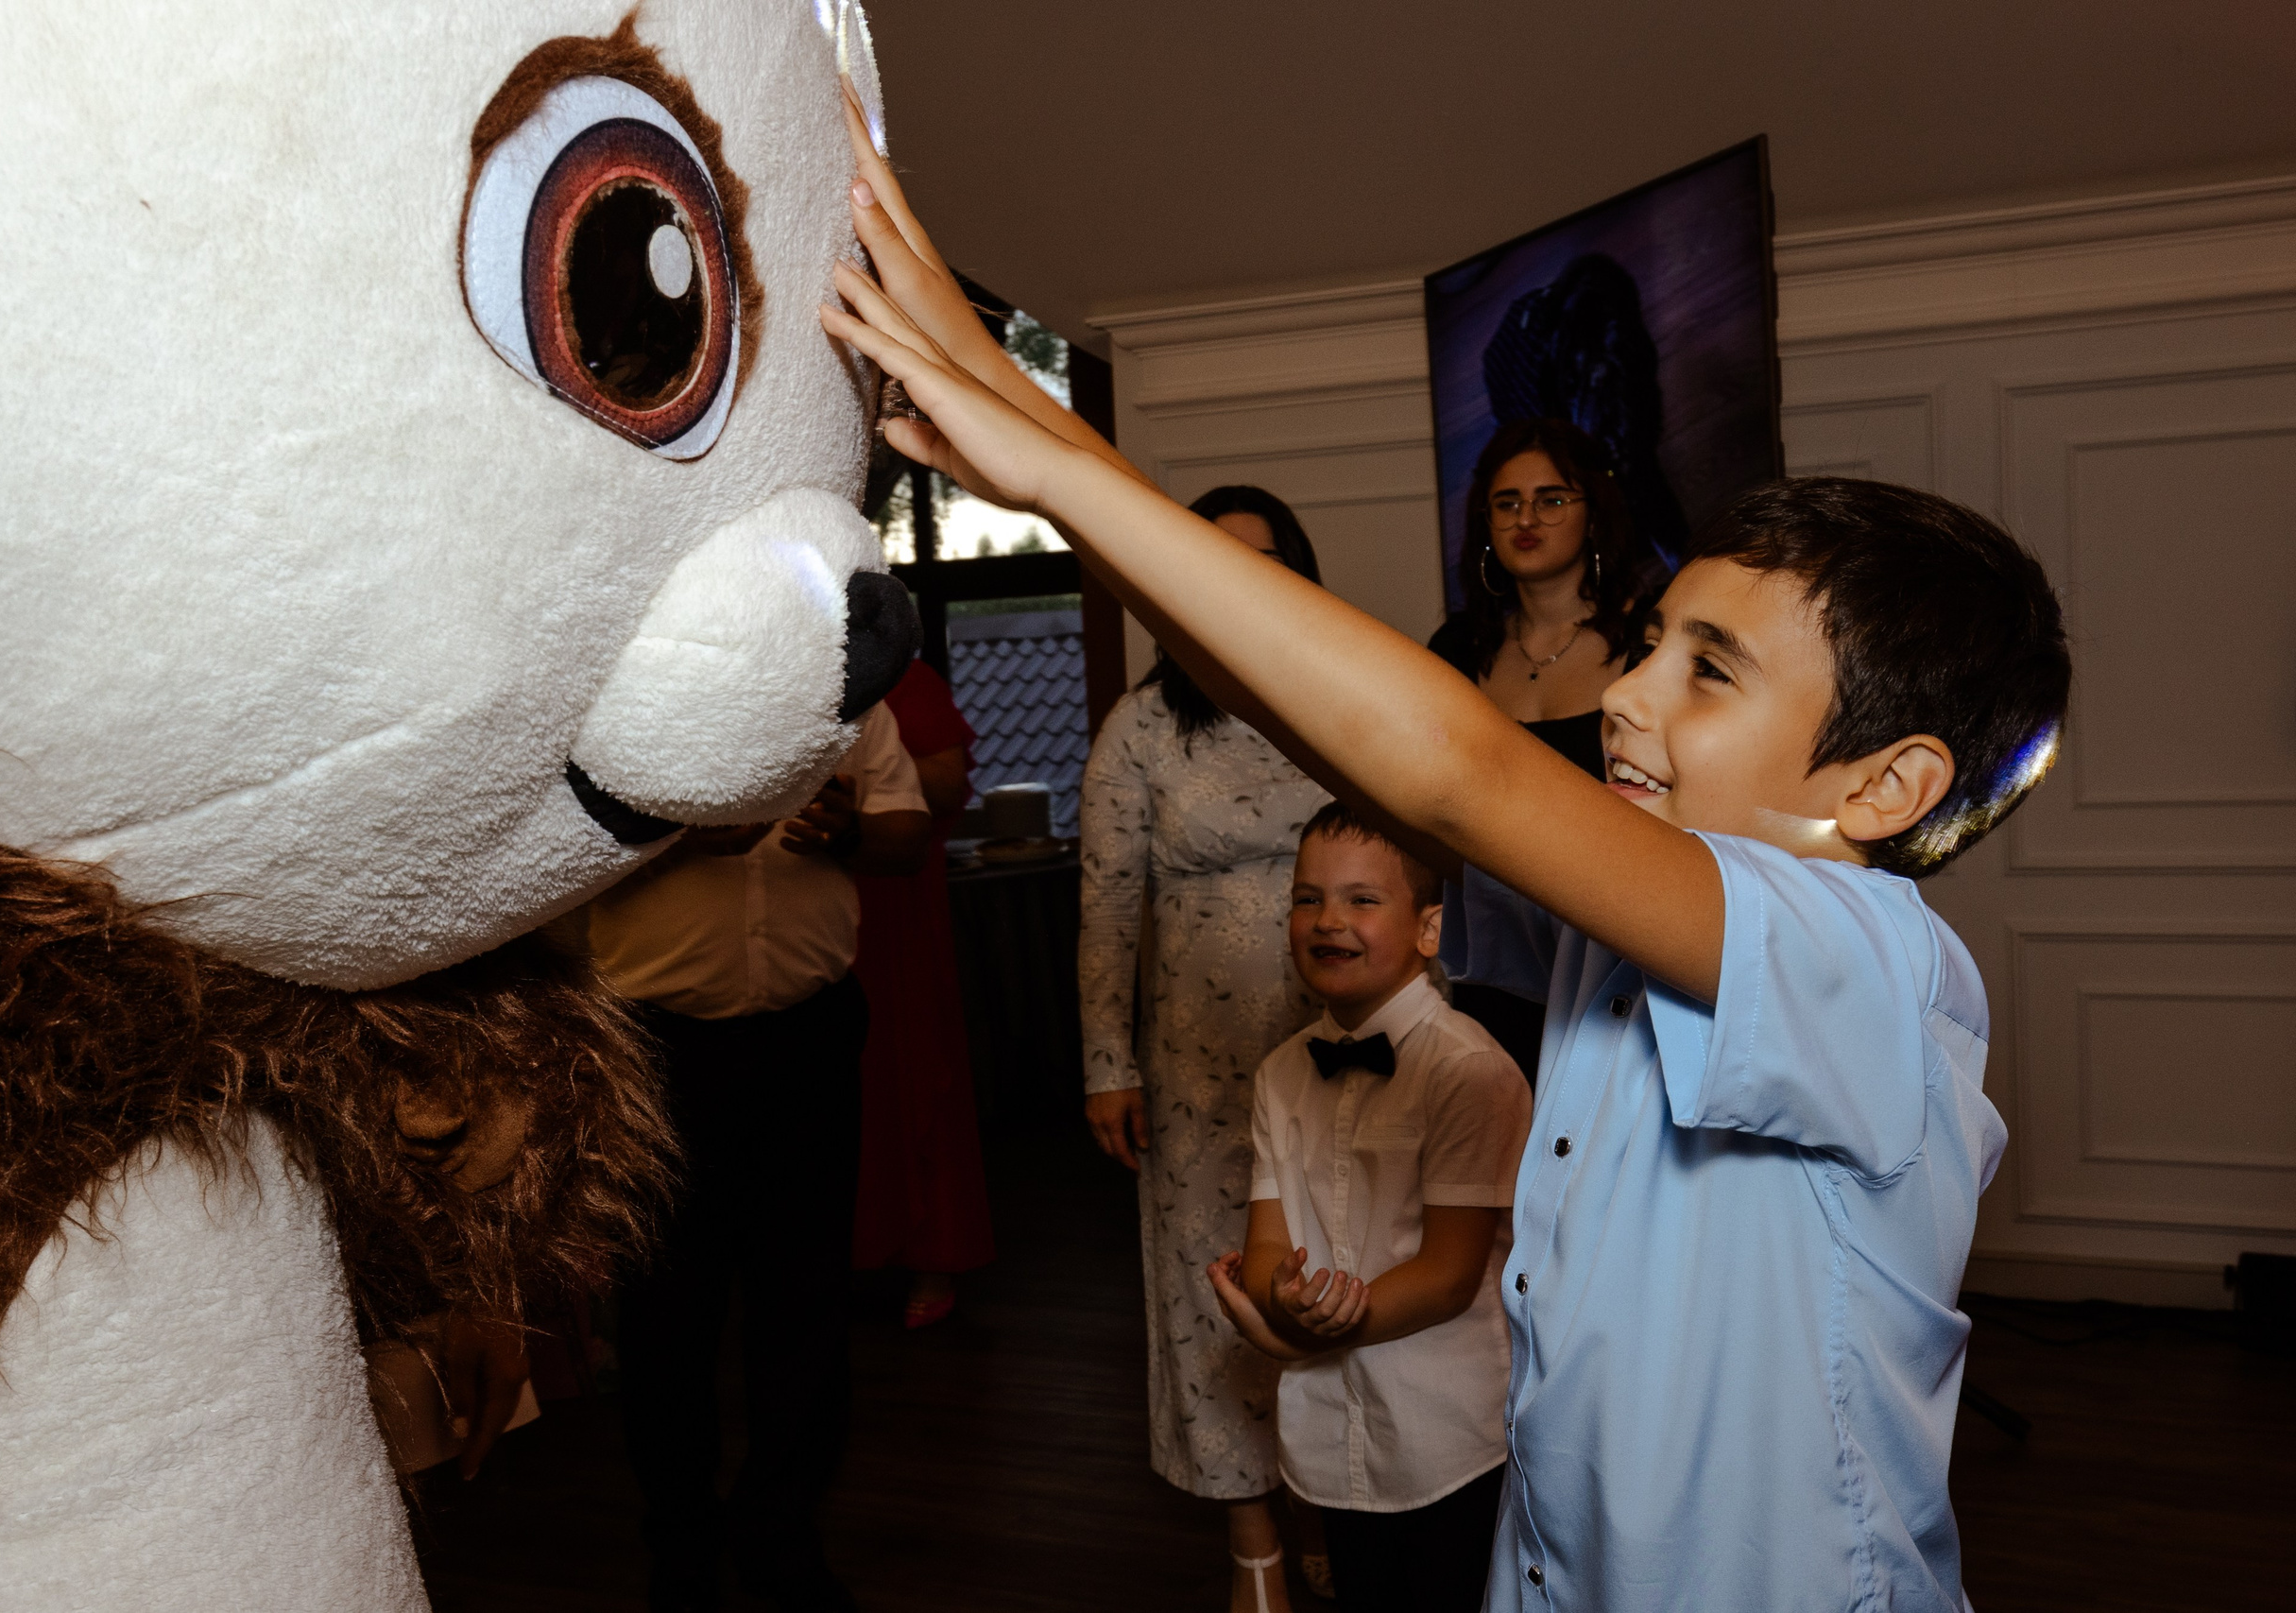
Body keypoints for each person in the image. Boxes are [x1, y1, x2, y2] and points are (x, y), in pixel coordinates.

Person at [820, 101, 2072, 1611]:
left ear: (1890, 783)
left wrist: (1058, 460)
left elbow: (1458, 767)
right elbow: (1363, 752)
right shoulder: (1633, 927)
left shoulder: (1872, 960)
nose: (1626, 692)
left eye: (1709, 670)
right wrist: (1044, 448)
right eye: (1654, 645)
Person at [557, 704, 932, 1613]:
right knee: (665, 1312)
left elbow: (908, 832)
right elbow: (557, 853)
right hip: (658, 1050)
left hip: (808, 1034)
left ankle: (781, 1534)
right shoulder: (622, 706)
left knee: (804, 1303)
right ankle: (680, 1544)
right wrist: (678, 843)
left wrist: (851, 831)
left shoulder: (849, 696)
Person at [1077, 483, 1331, 1612]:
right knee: (1211, 1281)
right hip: (1197, 1059)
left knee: (1333, 1264)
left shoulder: (1336, 697)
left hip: (1335, 1040)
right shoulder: (1142, 725)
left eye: (1262, 560)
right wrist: (1106, 1062)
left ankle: (1336, 1497)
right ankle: (1253, 1539)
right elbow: (1104, 905)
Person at [1208, 804, 1531, 1613]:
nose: (1328, 921)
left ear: (1429, 929)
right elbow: (1268, 1245)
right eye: (1307, 898)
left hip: (1450, 1436)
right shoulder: (1280, 1074)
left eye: (1361, 900)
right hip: (1329, 1431)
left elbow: (1450, 1275)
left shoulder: (1469, 1070)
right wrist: (1277, 1296)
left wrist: (1296, 1328)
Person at [1426, 416, 1670, 1079]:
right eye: (1506, 503)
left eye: (1552, 498)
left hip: (1611, 945)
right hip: (1489, 952)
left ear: (1594, 514)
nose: (1525, 517)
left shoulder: (1649, 644)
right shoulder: (1455, 649)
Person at [851, 656, 995, 1326]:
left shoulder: (901, 678)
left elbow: (948, 782)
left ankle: (931, 1253)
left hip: (895, 906)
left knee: (913, 1069)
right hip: (810, 905)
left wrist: (864, 773)